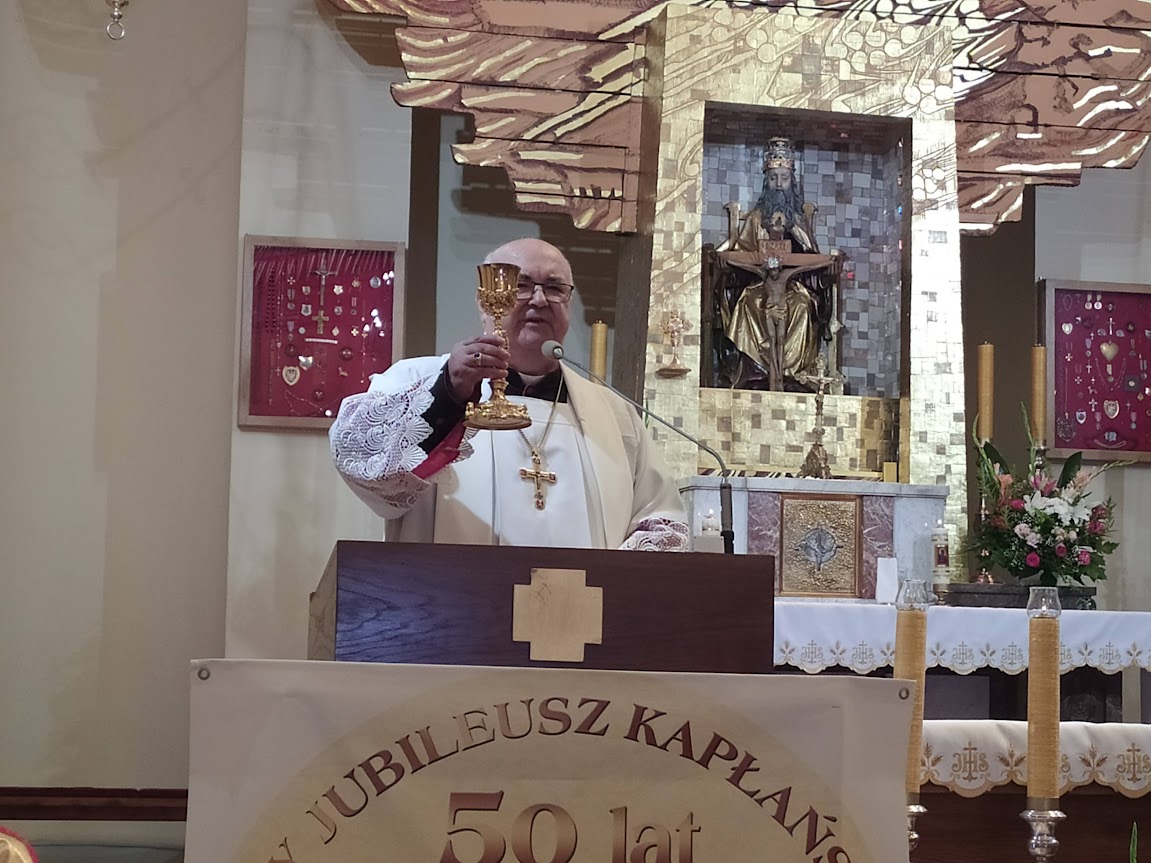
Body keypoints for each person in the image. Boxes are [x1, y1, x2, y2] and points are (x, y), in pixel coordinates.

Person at [330, 237, 690, 551]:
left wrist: (612, 589)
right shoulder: (417, 379)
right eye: (520, 285)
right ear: (485, 300)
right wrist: (449, 392)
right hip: (452, 601)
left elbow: (662, 520)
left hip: (583, 607)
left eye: (554, 287)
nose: (539, 299)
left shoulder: (615, 414)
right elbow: (366, 473)